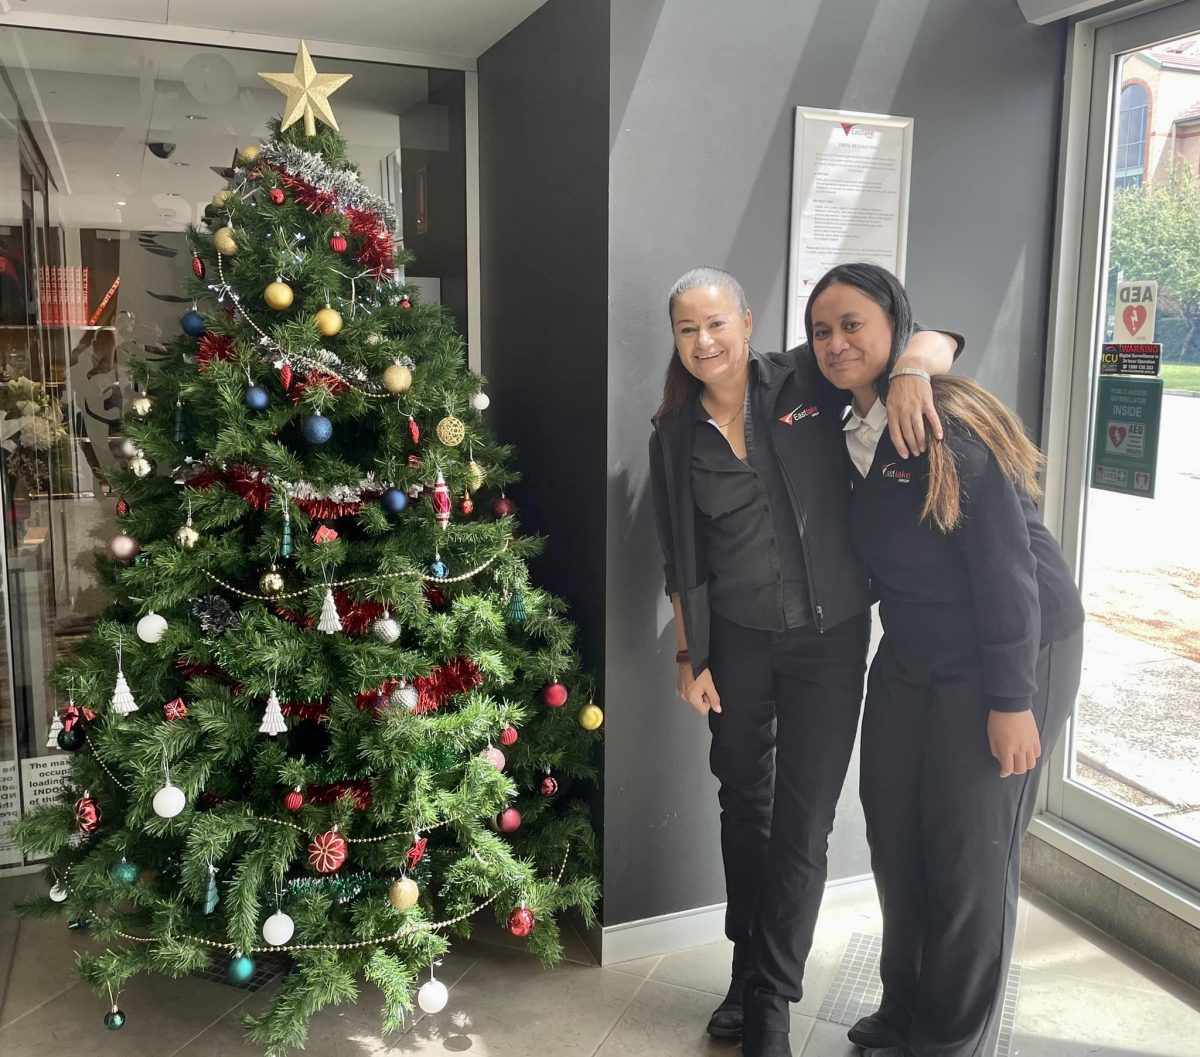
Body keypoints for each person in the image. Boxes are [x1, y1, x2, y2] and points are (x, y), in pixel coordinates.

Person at [648, 267, 960, 1057]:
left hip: (831, 638)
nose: (705, 341)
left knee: (804, 822)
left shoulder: (806, 381)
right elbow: (679, 555)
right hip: (740, 641)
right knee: (743, 806)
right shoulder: (675, 437)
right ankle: (745, 968)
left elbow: (931, 338)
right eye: (688, 329)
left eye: (717, 323)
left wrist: (919, 363)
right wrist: (692, 651)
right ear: (677, 341)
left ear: (747, 322)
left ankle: (771, 1003)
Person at [805, 263, 1085, 1057]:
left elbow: (1008, 573)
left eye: (852, 324)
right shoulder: (843, 418)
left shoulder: (943, 426)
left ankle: (949, 1039)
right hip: (915, 648)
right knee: (896, 831)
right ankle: (905, 1008)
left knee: (968, 851)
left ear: (893, 326)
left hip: (1013, 646)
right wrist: (916, 358)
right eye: (821, 329)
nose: (834, 343)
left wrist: (1012, 698)